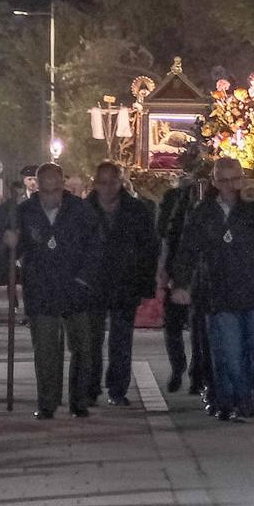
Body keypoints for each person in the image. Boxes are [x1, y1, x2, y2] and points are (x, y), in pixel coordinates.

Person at [174, 158, 254, 421]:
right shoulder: (204, 212)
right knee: (229, 354)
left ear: (243, 177)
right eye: (224, 181)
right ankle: (238, 401)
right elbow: (187, 249)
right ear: (214, 182)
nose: (230, 186)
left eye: (235, 179)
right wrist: (181, 283)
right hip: (220, 294)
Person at [8, 163, 100, 420]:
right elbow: (14, 249)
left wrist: (84, 278)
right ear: (37, 186)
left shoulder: (80, 210)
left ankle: (79, 401)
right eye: (45, 190)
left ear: (62, 185)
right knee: (45, 349)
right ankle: (47, 402)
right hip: (41, 288)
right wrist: (11, 243)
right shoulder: (25, 211)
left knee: (82, 347)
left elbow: (95, 246)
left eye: (56, 189)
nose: (51, 195)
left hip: (75, 288)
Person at [87, 161, 159, 407]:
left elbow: (149, 248)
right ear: (95, 183)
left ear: (121, 183)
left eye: (112, 182)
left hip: (125, 282)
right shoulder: (84, 210)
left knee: (121, 339)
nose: (107, 188)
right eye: (102, 182)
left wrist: (146, 284)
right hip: (92, 283)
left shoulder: (136, 210)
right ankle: (90, 386)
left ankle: (117, 389)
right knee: (91, 339)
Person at [156, 175, 209, 395]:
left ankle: (197, 375)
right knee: (173, 324)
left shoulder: (214, 202)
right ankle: (178, 367)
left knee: (199, 326)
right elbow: (166, 232)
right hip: (178, 267)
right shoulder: (175, 198)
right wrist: (165, 268)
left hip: (204, 272)